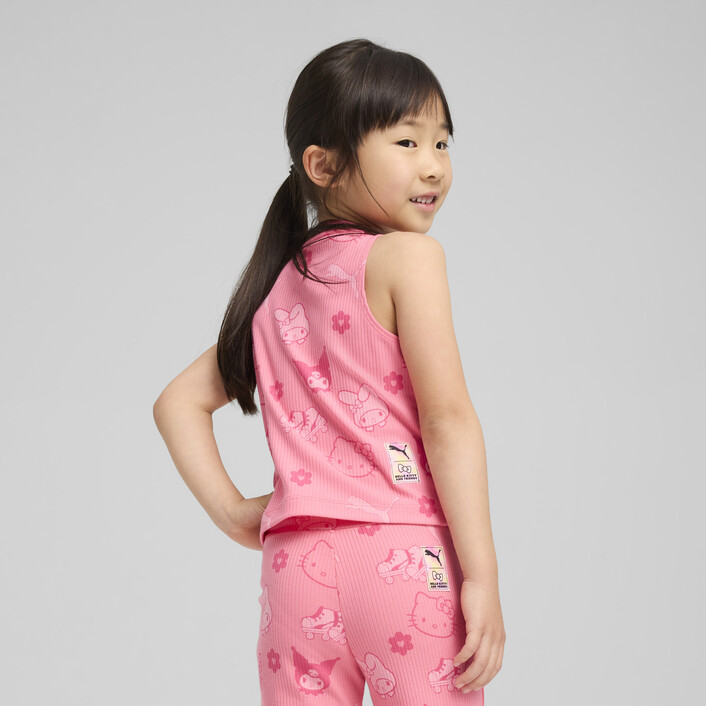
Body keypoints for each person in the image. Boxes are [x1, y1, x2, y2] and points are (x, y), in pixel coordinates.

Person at [153, 38, 505, 705]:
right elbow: (448, 422)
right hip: (404, 558)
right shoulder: (409, 259)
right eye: (407, 142)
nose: (434, 165)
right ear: (323, 163)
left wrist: (234, 514)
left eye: (442, 143)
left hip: (295, 569)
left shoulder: (274, 289)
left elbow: (177, 402)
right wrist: (481, 576)